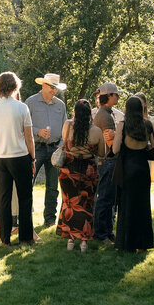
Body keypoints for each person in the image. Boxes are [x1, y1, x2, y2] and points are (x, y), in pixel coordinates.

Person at [0, 71, 36, 246]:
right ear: (15, 87)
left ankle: (4, 239)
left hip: (0, 158)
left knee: (3, 199)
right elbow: (29, 137)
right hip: (20, 157)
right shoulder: (21, 107)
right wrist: (33, 157)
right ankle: (26, 238)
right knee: (25, 198)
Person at [58, 99, 105, 251]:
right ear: (89, 113)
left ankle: (70, 240)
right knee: (86, 204)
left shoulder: (67, 125)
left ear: (75, 112)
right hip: (88, 172)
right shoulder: (97, 131)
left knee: (69, 203)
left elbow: (64, 144)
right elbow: (102, 153)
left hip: (69, 170)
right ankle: (84, 242)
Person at [113, 95, 154, 252]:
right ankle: (143, 244)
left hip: (128, 168)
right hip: (143, 168)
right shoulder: (147, 124)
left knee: (126, 205)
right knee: (143, 206)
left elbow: (115, 149)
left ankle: (127, 243)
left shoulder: (123, 125)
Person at [27, 73, 68, 228]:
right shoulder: (30, 102)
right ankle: (26, 217)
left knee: (52, 187)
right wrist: (38, 131)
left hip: (55, 149)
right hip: (36, 148)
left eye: (56, 88)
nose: (54, 91)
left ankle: (50, 219)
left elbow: (65, 127)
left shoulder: (60, 105)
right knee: (27, 184)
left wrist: (61, 145)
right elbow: (23, 127)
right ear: (43, 85)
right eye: (52, 87)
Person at [92, 82, 124, 244]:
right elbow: (113, 145)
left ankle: (107, 231)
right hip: (107, 161)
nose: (117, 96)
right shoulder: (104, 116)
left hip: (106, 161)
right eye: (115, 94)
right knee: (104, 198)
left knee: (108, 198)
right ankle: (101, 234)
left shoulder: (105, 112)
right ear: (108, 96)